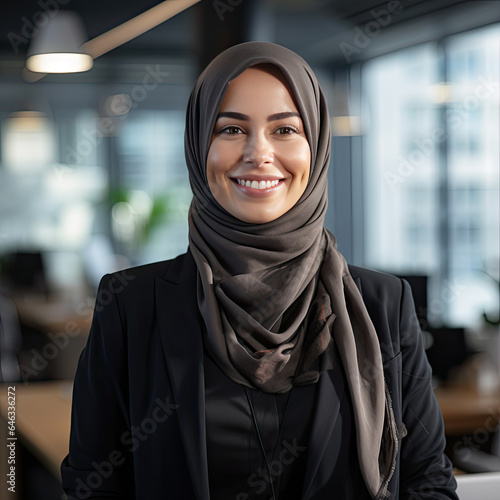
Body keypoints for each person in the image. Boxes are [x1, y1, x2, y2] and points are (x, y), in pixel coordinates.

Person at [61, 41, 458, 500]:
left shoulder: (383, 304)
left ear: (317, 146)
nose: (259, 153)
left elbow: (427, 480)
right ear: (197, 146)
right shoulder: (130, 304)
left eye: (285, 129)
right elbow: (91, 484)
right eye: (230, 130)